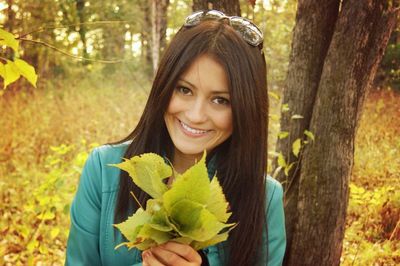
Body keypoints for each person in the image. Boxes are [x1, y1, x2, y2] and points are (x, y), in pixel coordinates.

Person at [65, 9, 286, 266]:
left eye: (220, 100)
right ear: (164, 86)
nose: (195, 115)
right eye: (184, 89)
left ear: (245, 110)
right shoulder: (104, 170)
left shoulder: (264, 198)